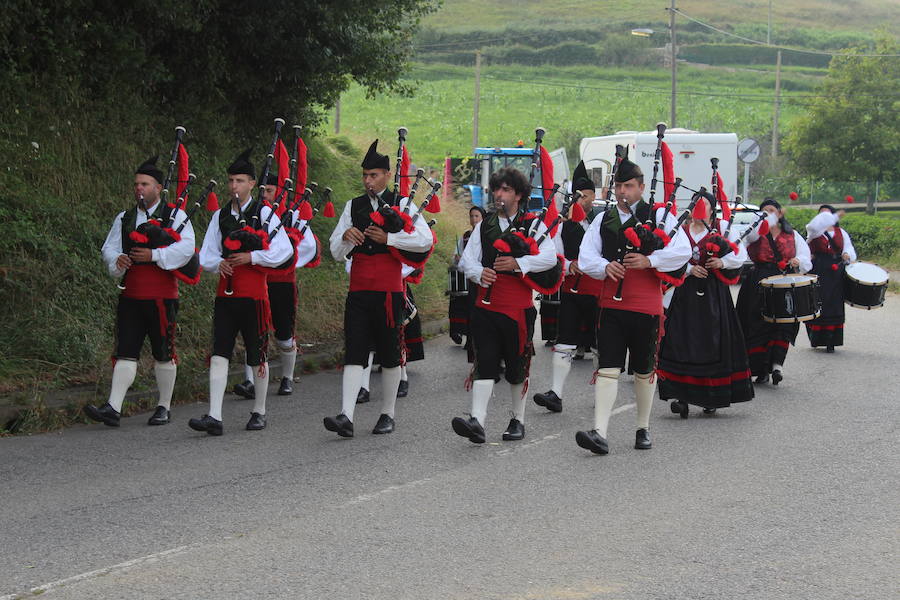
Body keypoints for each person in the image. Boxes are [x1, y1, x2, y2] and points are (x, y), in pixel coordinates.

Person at [574, 158, 691, 454]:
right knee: (608, 368)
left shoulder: (660, 215)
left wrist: (649, 260)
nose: (623, 191)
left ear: (641, 187)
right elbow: (586, 256)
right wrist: (604, 266)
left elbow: (682, 252)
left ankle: (643, 427)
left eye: (629, 186)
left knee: (643, 370)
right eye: (619, 186)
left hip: (647, 306)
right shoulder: (604, 219)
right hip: (612, 305)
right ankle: (599, 432)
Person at [325, 140, 433, 437]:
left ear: (386, 175)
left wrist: (390, 240)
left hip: (389, 292)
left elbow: (424, 241)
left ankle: (387, 414)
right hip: (358, 290)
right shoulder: (353, 206)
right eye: (364, 175)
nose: (368, 181)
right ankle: (346, 415)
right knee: (355, 351)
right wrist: (346, 237)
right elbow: (335, 251)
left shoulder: (404, 204)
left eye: (373, 175)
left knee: (388, 353)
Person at [86, 156, 196, 427]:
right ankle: (113, 407)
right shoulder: (125, 217)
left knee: (163, 352)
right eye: (136, 184)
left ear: (158, 188)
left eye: (145, 184)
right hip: (131, 295)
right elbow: (109, 248)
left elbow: (186, 249)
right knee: (126, 350)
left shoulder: (175, 216)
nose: (139, 188)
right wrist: (117, 260)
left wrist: (154, 255)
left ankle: (164, 406)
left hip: (161, 296)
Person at [188, 149, 292, 435]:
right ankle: (215, 416)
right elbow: (206, 253)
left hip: (255, 296)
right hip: (225, 296)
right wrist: (217, 263)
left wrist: (253, 258)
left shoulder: (265, 213)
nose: (234, 186)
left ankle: (259, 410)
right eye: (231, 180)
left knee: (257, 355)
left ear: (251, 184)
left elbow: (285, 251)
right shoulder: (220, 216)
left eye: (240, 181)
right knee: (220, 353)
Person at [451, 167, 558, 444]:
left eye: (506, 189)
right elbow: (467, 260)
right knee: (484, 362)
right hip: (486, 306)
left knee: (516, 367)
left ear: (519, 194)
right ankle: (477, 420)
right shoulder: (484, 224)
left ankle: (517, 419)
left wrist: (518, 264)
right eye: (497, 189)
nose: (499, 194)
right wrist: (479, 272)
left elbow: (549, 258)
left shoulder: (534, 224)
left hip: (517, 308)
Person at [657, 190, 754, 417]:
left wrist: (722, 261)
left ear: (711, 209)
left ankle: (711, 395)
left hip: (714, 294)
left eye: (703, 205)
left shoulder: (723, 229)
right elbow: (668, 256)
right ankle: (682, 396)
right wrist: (690, 269)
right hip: (686, 294)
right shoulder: (681, 231)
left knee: (712, 342)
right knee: (682, 341)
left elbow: (741, 255)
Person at [232, 174, 318, 399]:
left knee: (283, 335)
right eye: (263, 191)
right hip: (255, 283)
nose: (265, 196)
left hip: (282, 284)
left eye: (270, 191)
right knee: (252, 332)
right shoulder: (252, 215)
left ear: (280, 193)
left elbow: (308, 247)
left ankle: (287, 377)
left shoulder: (293, 217)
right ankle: (250, 381)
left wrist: (284, 262)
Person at [533, 161, 603, 413]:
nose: (580, 200)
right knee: (564, 341)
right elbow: (555, 253)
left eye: (584, 196)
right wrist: (567, 266)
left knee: (600, 344)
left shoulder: (603, 221)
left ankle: (602, 394)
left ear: (593, 197)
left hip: (598, 292)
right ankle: (556, 394)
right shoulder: (563, 224)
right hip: (572, 291)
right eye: (577, 196)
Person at [735, 197, 812, 385]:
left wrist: (798, 261)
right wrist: (758, 224)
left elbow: (805, 258)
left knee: (784, 323)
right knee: (755, 323)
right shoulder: (754, 232)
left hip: (784, 281)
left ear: (779, 213)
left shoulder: (792, 234)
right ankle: (759, 369)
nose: (767, 213)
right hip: (758, 281)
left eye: (771, 210)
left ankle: (777, 364)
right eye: (764, 210)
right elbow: (738, 247)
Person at [805, 205, 856, 352]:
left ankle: (831, 341)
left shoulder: (841, 233)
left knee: (834, 304)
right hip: (818, 268)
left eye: (828, 214)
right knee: (818, 301)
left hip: (836, 270)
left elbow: (848, 248)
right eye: (821, 214)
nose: (824, 217)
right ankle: (816, 338)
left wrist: (847, 254)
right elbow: (812, 231)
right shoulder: (814, 231)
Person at [448, 206, 485, 346]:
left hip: (477, 278)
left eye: (477, 216)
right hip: (464, 277)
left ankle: (472, 340)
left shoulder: (485, 235)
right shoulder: (465, 236)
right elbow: (456, 254)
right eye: (472, 216)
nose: (473, 219)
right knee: (457, 304)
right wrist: (457, 259)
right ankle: (457, 332)